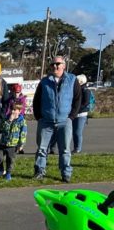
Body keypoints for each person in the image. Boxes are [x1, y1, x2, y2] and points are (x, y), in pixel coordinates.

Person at [32, 55, 81, 183]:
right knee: (42, 149)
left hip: (65, 121)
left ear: (64, 66)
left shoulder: (72, 80)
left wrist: (71, 117)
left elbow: (77, 100)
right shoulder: (44, 81)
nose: (55, 66)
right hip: (46, 121)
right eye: (53, 64)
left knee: (64, 149)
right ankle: (39, 171)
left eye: (58, 64)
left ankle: (66, 173)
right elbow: (36, 101)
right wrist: (40, 117)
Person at [0, 83, 27, 181]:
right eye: (12, 110)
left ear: (19, 111)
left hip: (13, 144)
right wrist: (9, 120)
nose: (13, 112)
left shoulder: (21, 121)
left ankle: (8, 173)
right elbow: (3, 128)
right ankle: (1, 169)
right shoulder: (7, 119)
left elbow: (23, 133)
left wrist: (21, 144)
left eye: (16, 110)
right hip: (3, 142)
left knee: (10, 159)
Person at [72, 74, 92, 153]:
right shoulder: (77, 90)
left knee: (77, 132)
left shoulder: (86, 90)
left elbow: (86, 103)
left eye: (76, 81)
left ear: (81, 81)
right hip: (75, 114)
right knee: (74, 132)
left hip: (81, 114)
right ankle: (75, 148)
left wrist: (77, 109)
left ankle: (77, 149)